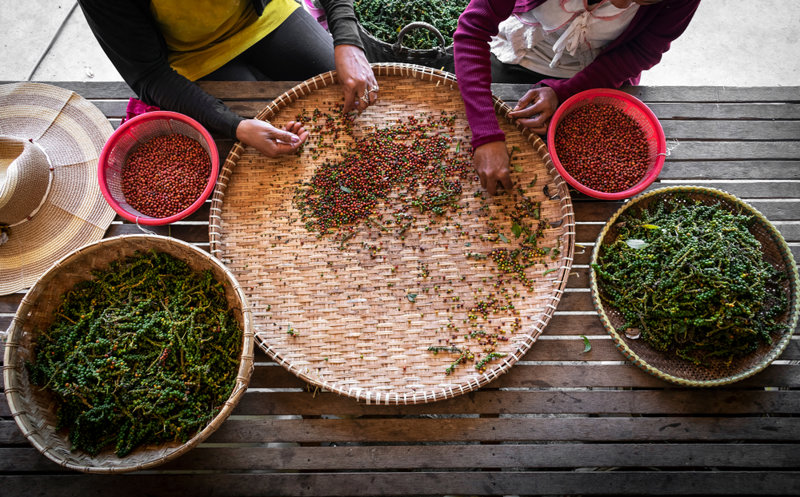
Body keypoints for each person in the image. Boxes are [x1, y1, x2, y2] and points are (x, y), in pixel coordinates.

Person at [453, 0, 700, 195]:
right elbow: (472, 31)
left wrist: (565, 92)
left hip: (599, 72)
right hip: (524, 51)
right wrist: (486, 135)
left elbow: (641, 51)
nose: (623, 4)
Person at [78, 0, 379, 158]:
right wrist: (236, 126)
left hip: (264, 15)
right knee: (264, 152)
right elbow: (149, 75)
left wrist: (348, 41)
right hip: (191, 57)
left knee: (351, 99)